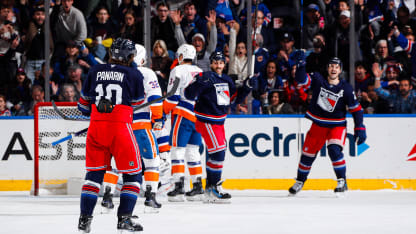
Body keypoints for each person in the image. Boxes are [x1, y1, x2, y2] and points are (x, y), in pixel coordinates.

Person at [77, 38, 145, 233]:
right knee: (133, 176)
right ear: (130, 56)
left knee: (93, 176)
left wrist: (102, 109)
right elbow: (137, 101)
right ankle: (124, 219)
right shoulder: (134, 73)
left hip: (96, 128)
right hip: (120, 128)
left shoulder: (94, 71)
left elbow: (83, 107)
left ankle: (84, 220)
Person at [288, 54, 367, 196]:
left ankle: (342, 181)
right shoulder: (318, 80)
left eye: (337, 67)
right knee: (307, 155)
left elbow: (356, 109)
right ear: (327, 68)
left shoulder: (346, 88)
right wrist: (301, 66)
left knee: (334, 150)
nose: (333, 69)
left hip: (336, 126)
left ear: (340, 70)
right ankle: (300, 181)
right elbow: (302, 80)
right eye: (331, 66)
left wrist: (360, 127)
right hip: (318, 124)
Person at [184, 51, 247, 203]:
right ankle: (214, 188)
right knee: (218, 153)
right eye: (215, 62)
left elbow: (232, 99)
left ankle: (210, 187)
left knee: (217, 154)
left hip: (219, 122)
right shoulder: (204, 77)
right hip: (207, 120)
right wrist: (198, 82)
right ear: (211, 63)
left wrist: (246, 88)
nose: (218, 65)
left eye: (221, 63)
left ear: (224, 65)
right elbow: (188, 94)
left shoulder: (226, 79)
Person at [163, 44, 204, 202]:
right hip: (198, 115)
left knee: (177, 149)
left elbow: (172, 97)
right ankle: (197, 185)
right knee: (193, 150)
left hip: (183, 114)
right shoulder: (200, 71)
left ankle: (178, 185)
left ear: (180, 56)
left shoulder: (177, 70)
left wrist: (162, 112)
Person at [132, 44, 164, 211]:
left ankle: (107, 197)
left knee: (116, 163)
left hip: (121, 127)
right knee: (152, 160)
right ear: (143, 59)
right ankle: (150, 196)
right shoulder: (146, 72)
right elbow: (155, 97)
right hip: (141, 126)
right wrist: (158, 117)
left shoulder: (118, 72)